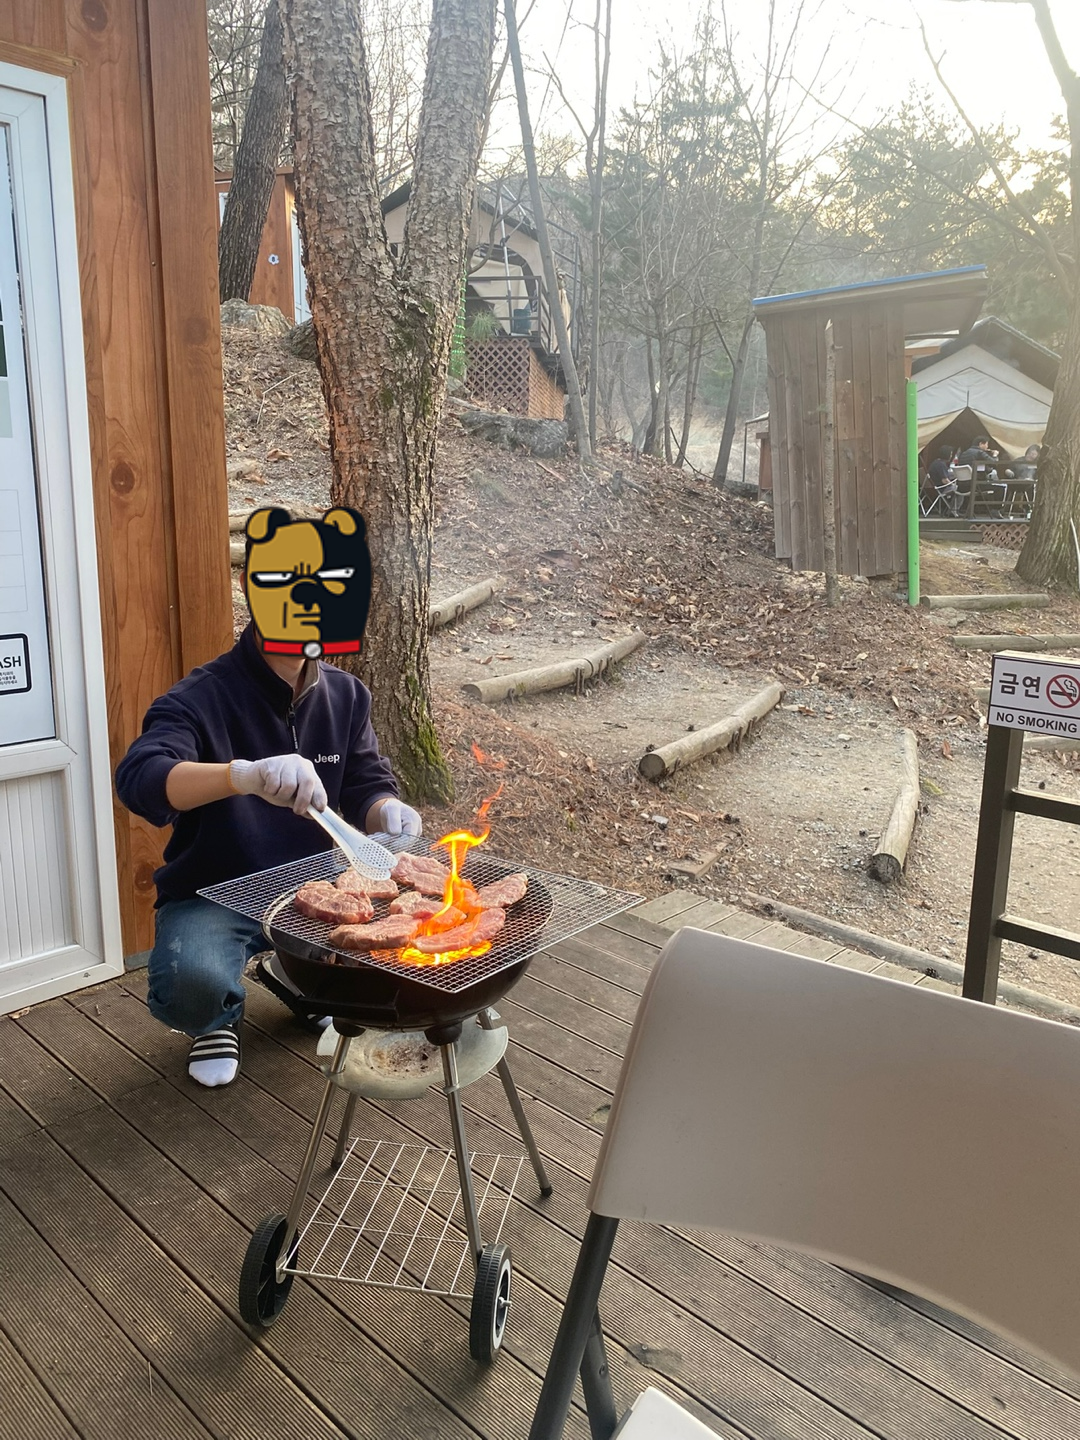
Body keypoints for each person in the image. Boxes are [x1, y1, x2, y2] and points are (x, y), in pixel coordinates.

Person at [115, 506, 421, 1089]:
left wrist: (388, 810)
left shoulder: (347, 695)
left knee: (393, 949)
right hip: (216, 892)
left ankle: (294, 976)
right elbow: (141, 778)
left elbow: (365, 780)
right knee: (190, 985)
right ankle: (216, 1019)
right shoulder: (201, 697)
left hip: (320, 890)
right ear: (250, 587)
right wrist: (244, 775)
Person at [926, 445, 960, 515]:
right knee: (961, 490)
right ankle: (953, 510)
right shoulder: (941, 465)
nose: (951, 456)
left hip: (933, 487)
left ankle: (950, 509)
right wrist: (953, 484)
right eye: (950, 454)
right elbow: (945, 481)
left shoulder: (935, 462)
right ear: (946, 454)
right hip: (941, 488)